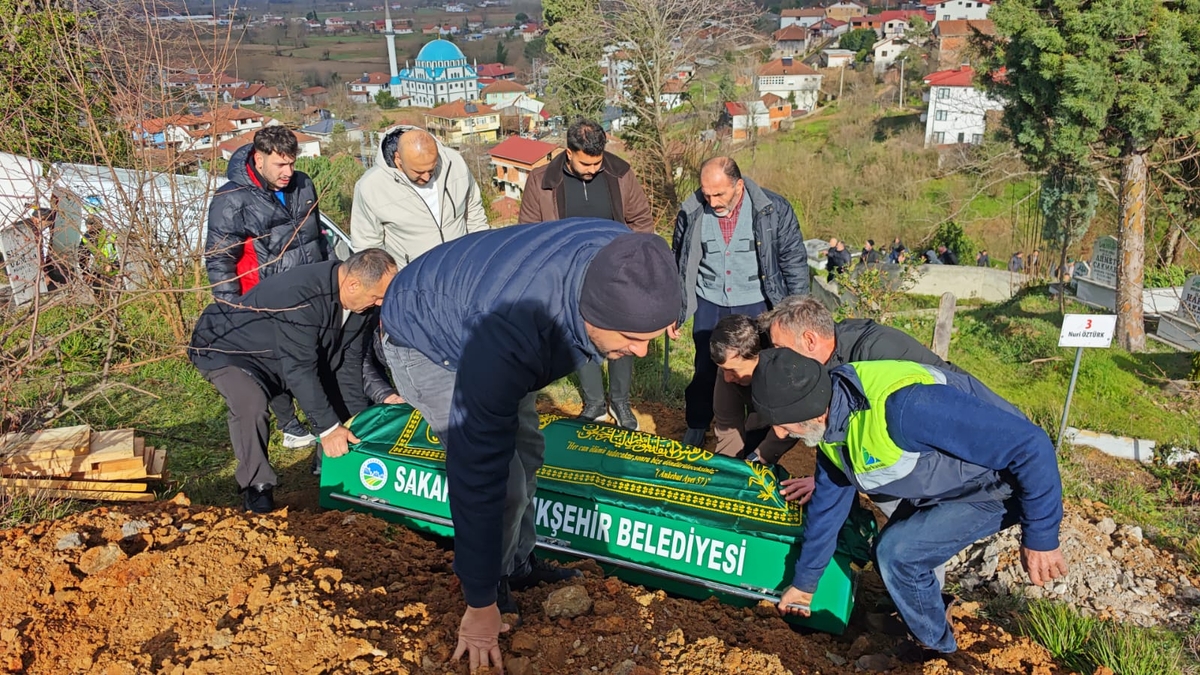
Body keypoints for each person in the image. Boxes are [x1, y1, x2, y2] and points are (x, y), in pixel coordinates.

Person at [379, 219, 681, 672]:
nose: (641, 353)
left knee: (530, 452)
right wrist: (478, 601)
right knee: (504, 483)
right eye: (632, 340)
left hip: (483, 307)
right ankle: (491, 583)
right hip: (428, 338)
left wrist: (659, 317)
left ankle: (518, 563)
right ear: (590, 315)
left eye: (650, 337)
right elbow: (478, 470)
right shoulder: (509, 333)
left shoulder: (623, 260)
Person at [752, 348, 1067, 655]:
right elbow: (826, 511)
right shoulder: (831, 431)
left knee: (899, 554)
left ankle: (935, 651)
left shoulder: (905, 407)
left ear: (810, 408)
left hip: (997, 484)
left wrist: (1041, 537)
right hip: (947, 483)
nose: (780, 433)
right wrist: (805, 584)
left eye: (784, 422)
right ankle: (926, 614)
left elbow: (1031, 445)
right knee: (886, 548)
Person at [758, 295, 1025, 506]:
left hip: (968, 450)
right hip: (924, 456)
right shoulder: (828, 358)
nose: (778, 358)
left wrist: (827, 481)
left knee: (908, 540)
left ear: (809, 340)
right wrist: (760, 458)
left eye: (780, 348)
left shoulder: (873, 355)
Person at [189, 249, 396, 513]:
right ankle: (257, 487)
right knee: (250, 404)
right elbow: (299, 369)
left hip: (280, 352)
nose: (380, 304)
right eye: (377, 297)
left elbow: (347, 364)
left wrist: (356, 424)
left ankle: (336, 472)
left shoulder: (361, 303)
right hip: (231, 349)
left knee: (335, 403)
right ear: (353, 284)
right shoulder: (302, 295)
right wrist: (329, 429)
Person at [518, 118, 654, 430]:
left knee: (622, 335)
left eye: (597, 161)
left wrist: (635, 260)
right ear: (568, 152)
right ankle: (594, 403)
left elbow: (640, 220)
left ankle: (620, 402)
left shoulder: (620, 173)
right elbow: (527, 233)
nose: (592, 169)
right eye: (585, 162)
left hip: (617, 272)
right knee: (581, 336)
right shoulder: (541, 181)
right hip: (567, 275)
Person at [205, 126, 331, 451]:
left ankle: (325, 437)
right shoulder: (231, 199)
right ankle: (290, 424)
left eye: (292, 163)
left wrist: (332, 275)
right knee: (278, 361)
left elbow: (319, 237)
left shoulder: (303, 185)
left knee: (319, 361)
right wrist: (230, 308)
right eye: (280, 165)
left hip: (312, 289)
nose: (288, 172)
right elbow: (220, 259)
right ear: (259, 159)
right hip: (264, 295)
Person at [672, 156, 809, 448]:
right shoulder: (691, 210)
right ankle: (697, 423)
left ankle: (759, 431)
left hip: (758, 302)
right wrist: (676, 307)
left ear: (739, 186)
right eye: (707, 194)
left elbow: (793, 262)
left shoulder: (773, 209)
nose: (712, 201)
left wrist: (797, 313)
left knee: (759, 368)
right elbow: (679, 260)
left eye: (719, 194)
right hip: (709, 300)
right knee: (707, 366)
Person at [350, 125, 488, 267]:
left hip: (463, 268)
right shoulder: (371, 187)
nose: (427, 177)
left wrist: (482, 254)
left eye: (432, 169)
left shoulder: (454, 162)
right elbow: (368, 248)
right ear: (398, 160)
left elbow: (473, 211)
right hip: (413, 280)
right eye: (418, 172)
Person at [709, 314, 796, 464]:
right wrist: (723, 471)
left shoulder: (785, 370)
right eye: (723, 370)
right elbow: (728, 427)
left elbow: (791, 424)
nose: (727, 379)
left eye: (733, 370)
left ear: (758, 358)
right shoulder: (729, 368)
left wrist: (756, 460)